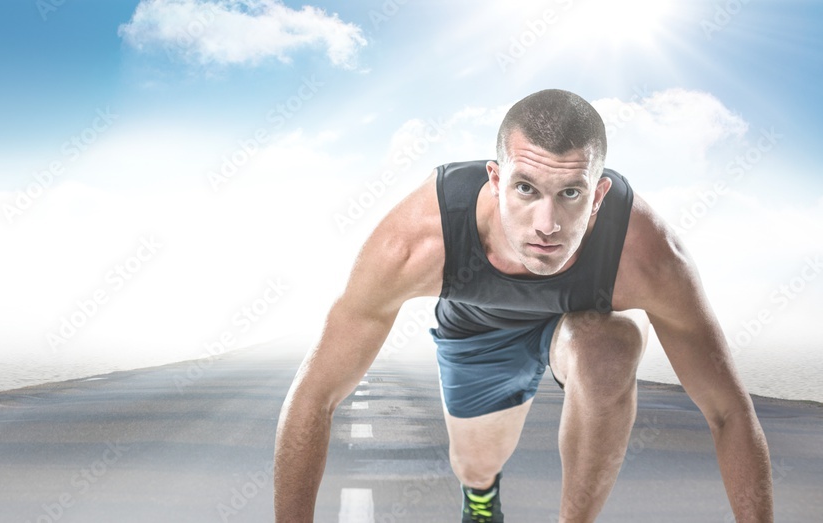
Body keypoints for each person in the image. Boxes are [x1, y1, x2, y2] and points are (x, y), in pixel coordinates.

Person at [273, 89, 773, 522]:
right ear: (495, 179)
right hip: (477, 332)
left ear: (598, 194)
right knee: (476, 464)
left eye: (570, 193)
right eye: (526, 189)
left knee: (613, 350)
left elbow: (729, 412)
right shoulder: (418, 241)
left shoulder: (649, 258)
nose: (547, 224)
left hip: (577, 328)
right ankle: (481, 496)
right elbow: (314, 397)